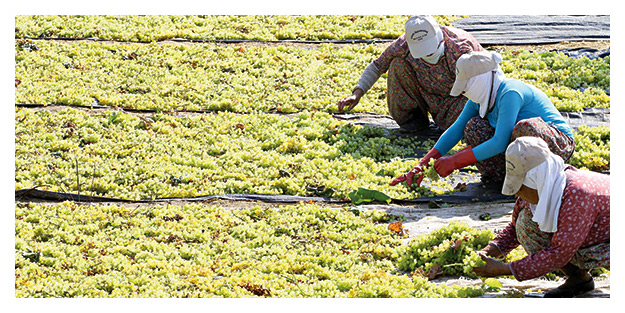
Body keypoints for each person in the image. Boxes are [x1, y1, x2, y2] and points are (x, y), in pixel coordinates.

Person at [390, 50, 575, 187]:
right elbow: (455, 130)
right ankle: (506, 176)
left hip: (556, 145)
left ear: (480, 79)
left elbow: (500, 142)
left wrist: (455, 161)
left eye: (466, 86)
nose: (464, 92)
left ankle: (536, 179)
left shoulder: (510, 92)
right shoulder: (479, 100)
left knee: (524, 128)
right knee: (473, 127)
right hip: (520, 151)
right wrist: (422, 164)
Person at [472, 137, 610, 297]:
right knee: (525, 224)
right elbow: (515, 229)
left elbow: (559, 253)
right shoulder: (546, 187)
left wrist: (505, 269)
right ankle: (579, 279)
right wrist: (487, 252)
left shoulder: (577, 195)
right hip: (587, 241)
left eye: (520, 186)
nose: (517, 192)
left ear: (536, 179)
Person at [337, 15, 483, 132]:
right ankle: (414, 120)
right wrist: (357, 92)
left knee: (461, 126)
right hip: (428, 94)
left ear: (439, 37)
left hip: (459, 99)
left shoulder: (459, 47)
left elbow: (485, 83)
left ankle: (454, 126)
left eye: (431, 50)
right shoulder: (403, 45)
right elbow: (377, 66)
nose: (428, 55)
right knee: (397, 64)